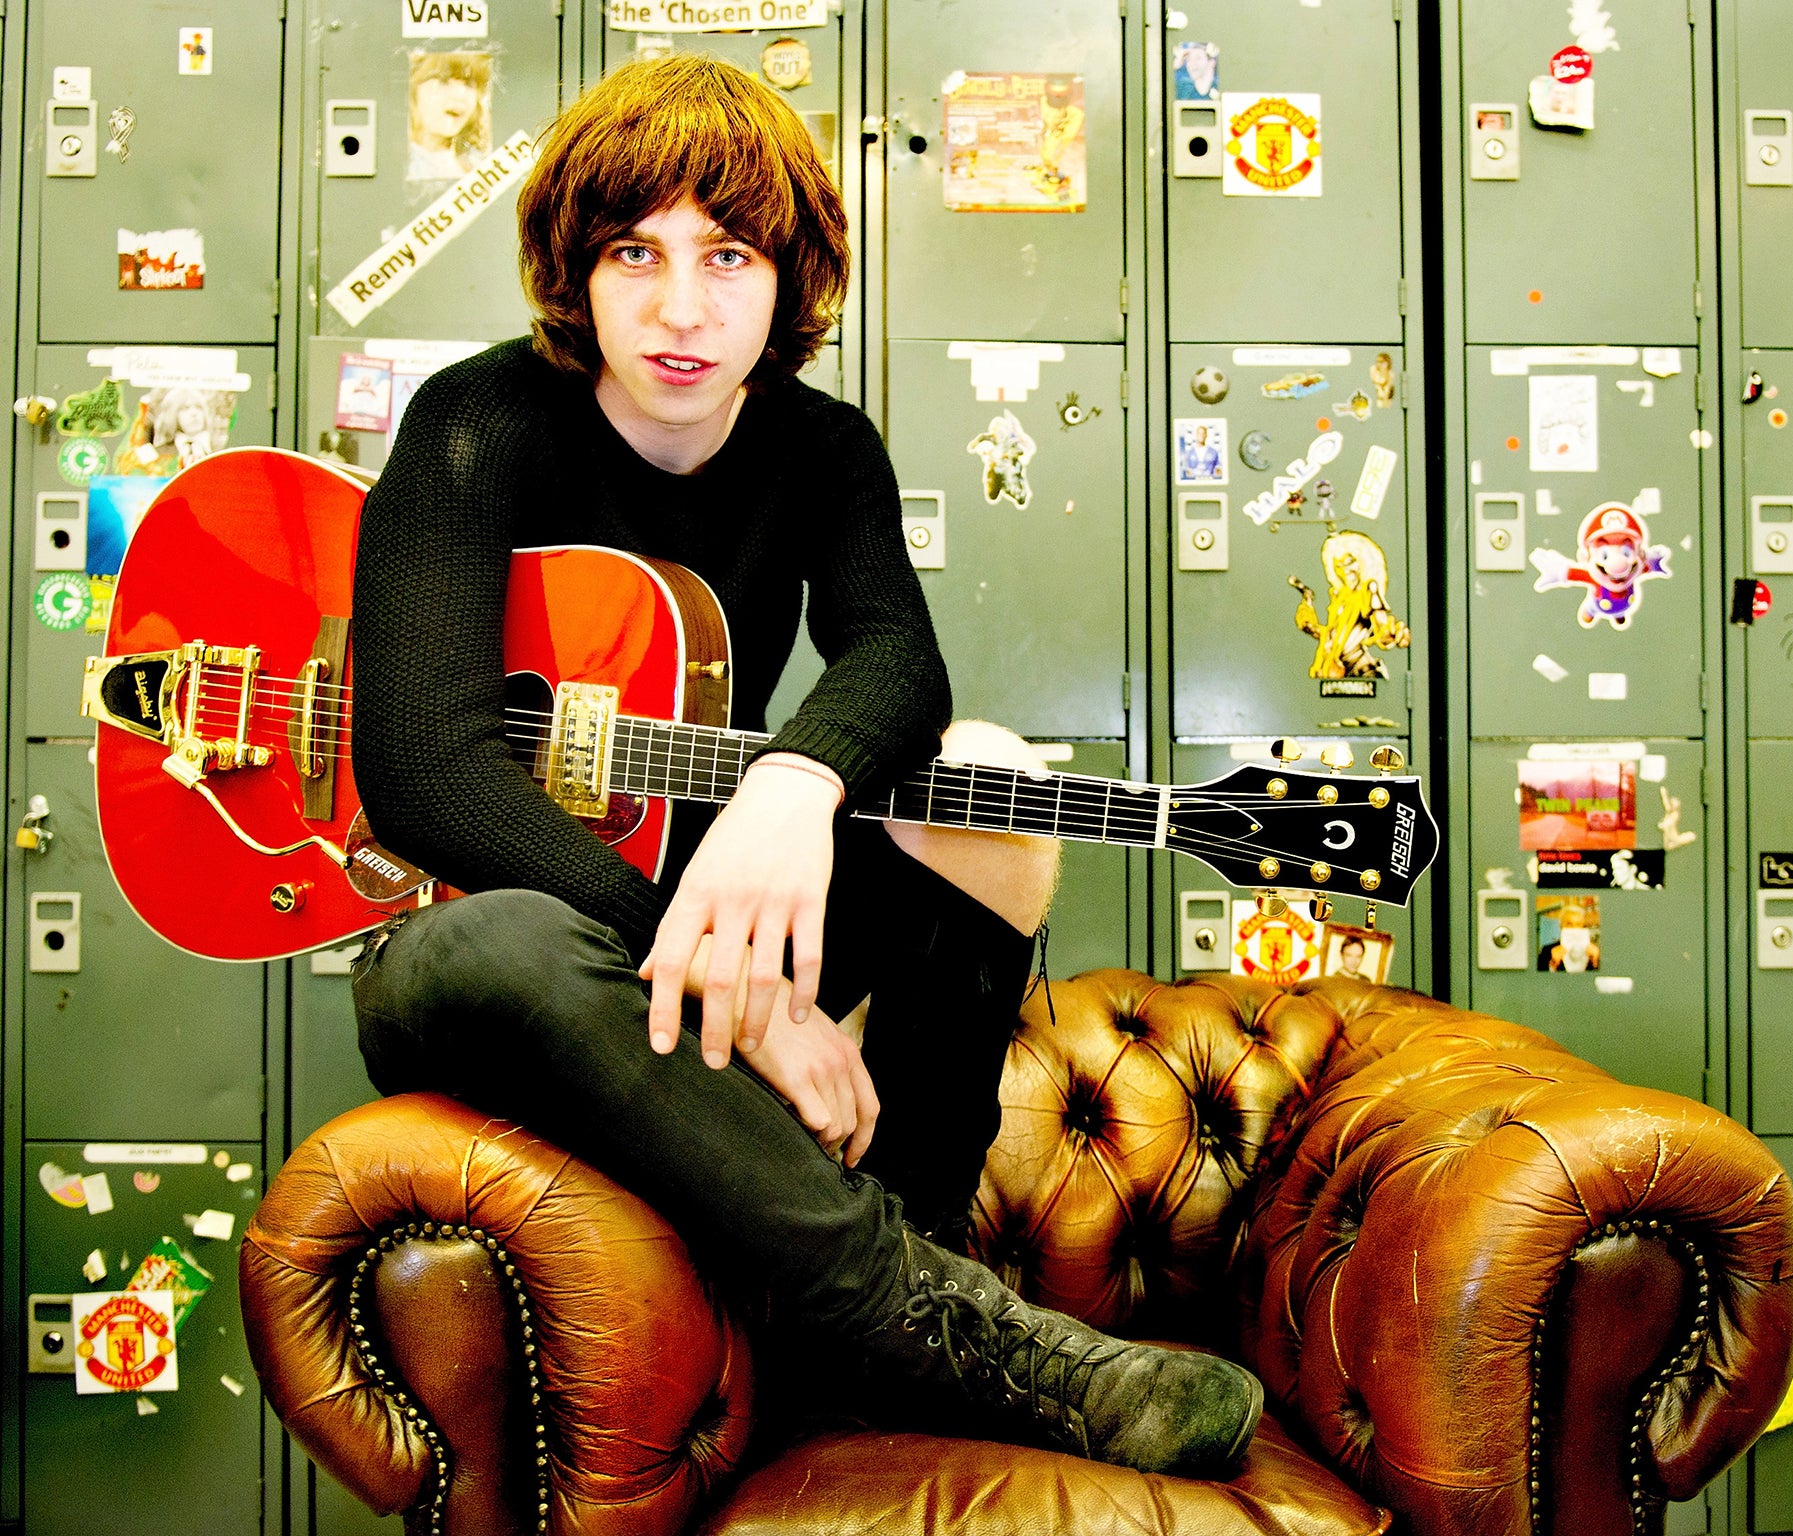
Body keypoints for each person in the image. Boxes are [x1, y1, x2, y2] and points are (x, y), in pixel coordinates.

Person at [348, 53, 1259, 1479]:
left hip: (729, 918)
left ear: (792, 278)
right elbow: (423, 767)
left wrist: (791, 784)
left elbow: (898, 661)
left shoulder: (824, 449)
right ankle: (928, 1323)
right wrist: (743, 993)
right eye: (633, 253)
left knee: (992, 789)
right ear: (574, 273)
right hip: (536, 972)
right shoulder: (477, 424)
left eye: (730, 254)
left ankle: (920, 1239)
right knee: (494, 944)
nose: (682, 307)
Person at [407, 50, 491, 182]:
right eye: (443, 81)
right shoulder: (404, 163)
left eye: (469, 84)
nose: (459, 95)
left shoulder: (482, 164)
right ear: (413, 90)